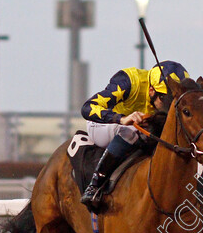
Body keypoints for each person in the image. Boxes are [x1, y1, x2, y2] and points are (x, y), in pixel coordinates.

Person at [78, 60, 189, 209]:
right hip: (103, 125)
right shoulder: (127, 81)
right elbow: (87, 108)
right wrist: (122, 118)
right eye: (167, 100)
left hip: (139, 130)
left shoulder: (161, 96)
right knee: (132, 130)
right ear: (152, 91)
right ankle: (95, 185)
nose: (170, 107)